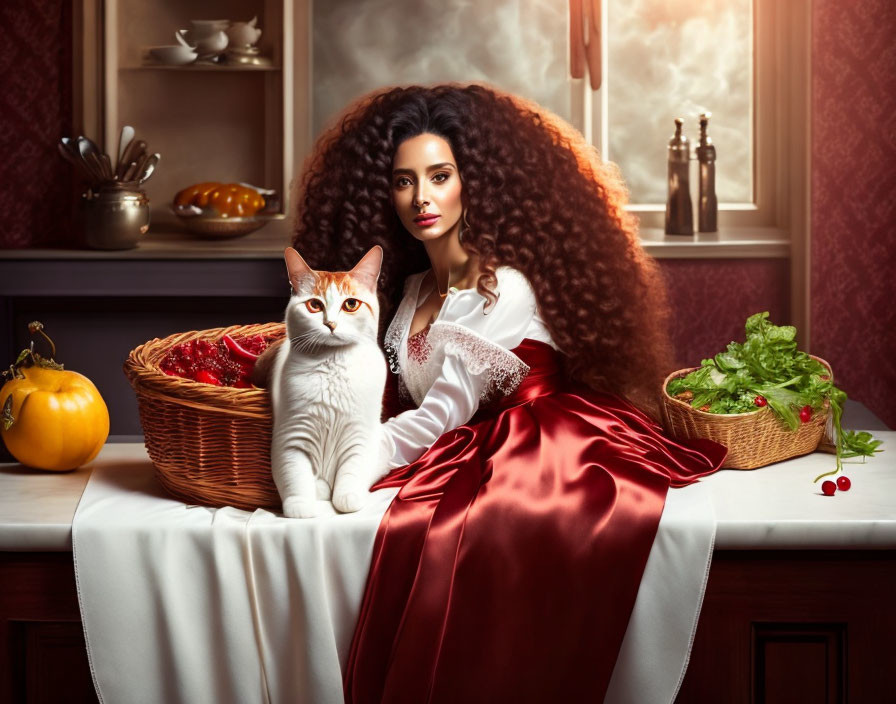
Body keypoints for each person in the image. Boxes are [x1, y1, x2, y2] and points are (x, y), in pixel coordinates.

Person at [291, 83, 727, 703]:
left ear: (475, 181)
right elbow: (408, 409)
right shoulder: (411, 291)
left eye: (440, 176)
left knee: (453, 543)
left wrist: (348, 458)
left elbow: (442, 412)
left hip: (542, 443)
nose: (422, 198)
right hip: (460, 443)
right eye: (403, 181)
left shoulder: (504, 288)